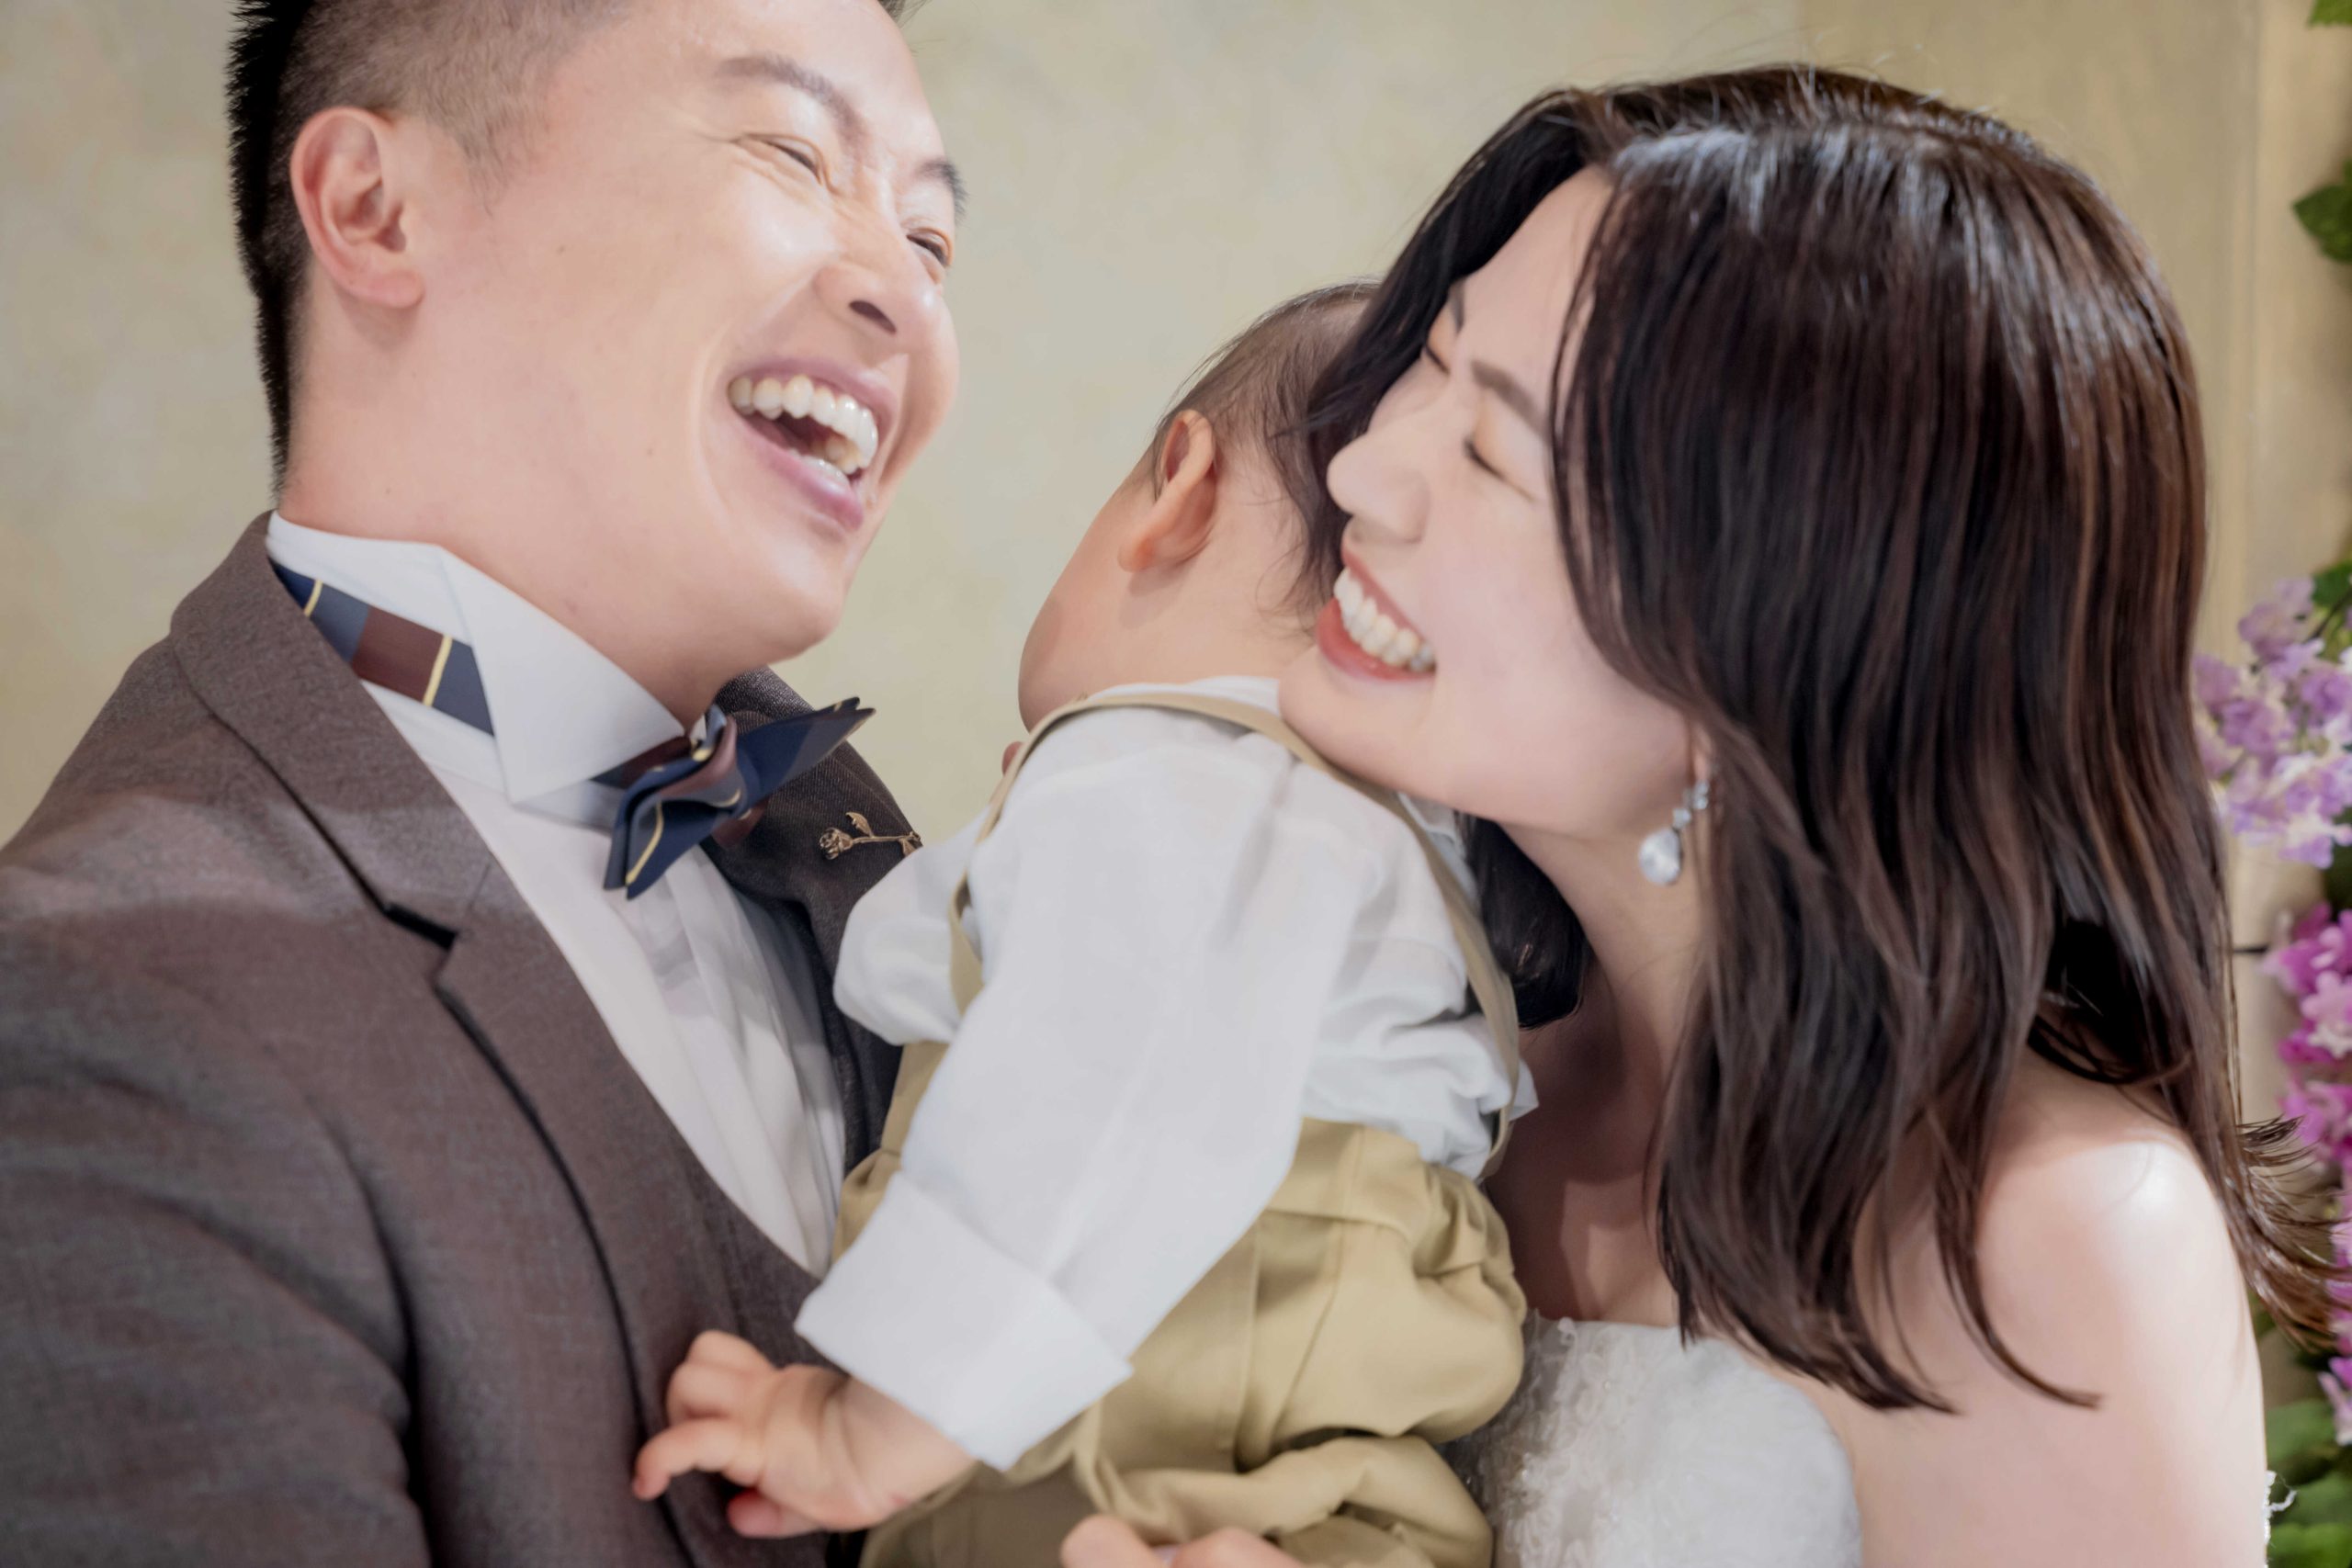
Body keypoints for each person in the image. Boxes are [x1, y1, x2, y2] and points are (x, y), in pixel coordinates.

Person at [1066, 66, 2331, 1568]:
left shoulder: (2052, 1240)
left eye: (1492, 451)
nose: (1361, 471)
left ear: (1778, 639)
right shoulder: (1427, 1054)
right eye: (1434, 362)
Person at [0, 1, 961, 1562]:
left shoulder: (852, 842)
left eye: (931, 239)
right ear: (378, 211)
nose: (904, 298)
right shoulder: (99, 1013)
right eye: (795, 153)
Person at [633, 285, 1532, 1568]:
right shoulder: (1396, 856)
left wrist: (876, 1423)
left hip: (1125, 1452)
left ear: (1178, 494)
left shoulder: (1176, 774)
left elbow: (1094, 1095)